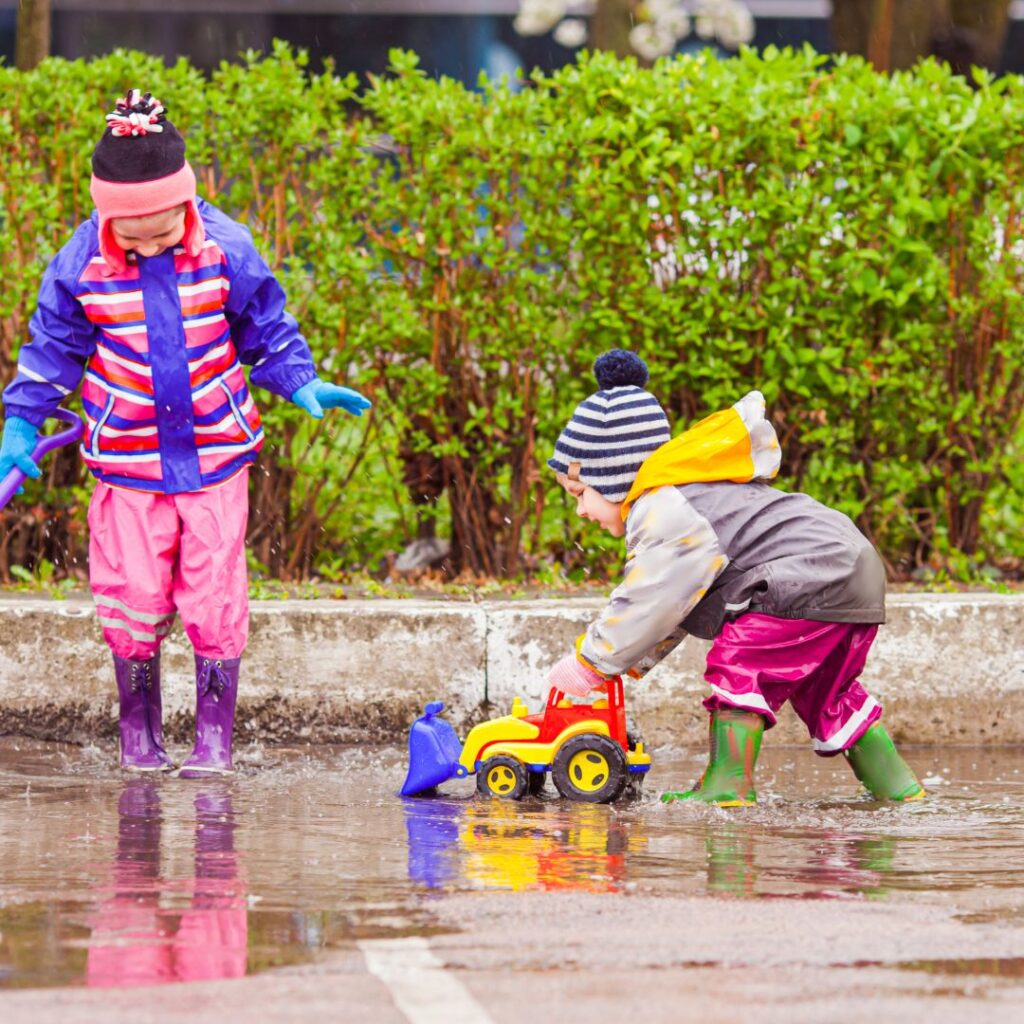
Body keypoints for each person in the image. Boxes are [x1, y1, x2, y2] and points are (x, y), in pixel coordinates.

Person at [0, 89, 370, 777]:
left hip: (215, 459)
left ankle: (213, 740)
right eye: (129, 236)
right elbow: (51, 349)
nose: (146, 246)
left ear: (188, 202)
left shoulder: (226, 247)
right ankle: (138, 734)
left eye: (161, 233)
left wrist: (298, 380)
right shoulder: (82, 263)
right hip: (128, 464)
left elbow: (266, 324)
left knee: (214, 595)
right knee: (134, 596)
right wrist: (21, 421)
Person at [546, 348, 924, 805]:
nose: (582, 509)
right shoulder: (691, 496)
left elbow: (653, 600)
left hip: (810, 575)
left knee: (740, 660)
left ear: (615, 476)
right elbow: (676, 608)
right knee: (827, 691)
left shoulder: (664, 509)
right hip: (851, 569)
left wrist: (590, 663)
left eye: (581, 492)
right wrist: (623, 664)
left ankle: (728, 785)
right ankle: (898, 790)